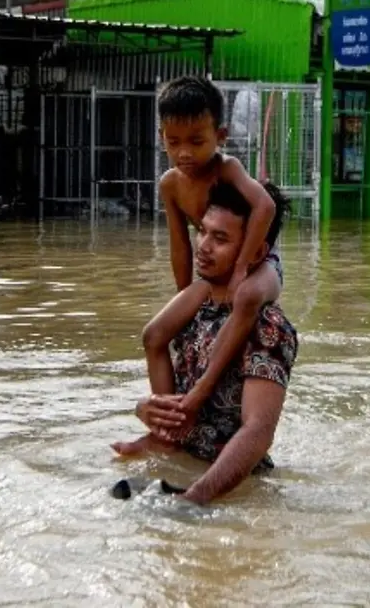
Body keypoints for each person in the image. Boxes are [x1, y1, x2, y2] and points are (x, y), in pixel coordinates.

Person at [111, 180, 299, 506]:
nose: (204, 246)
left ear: (255, 253)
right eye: (203, 231)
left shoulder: (268, 327)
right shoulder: (196, 306)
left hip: (230, 493)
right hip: (178, 467)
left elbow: (258, 432)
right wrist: (153, 415)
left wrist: (194, 498)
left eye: (220, 238)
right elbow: (154, 343)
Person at [143, 76, 284, 434]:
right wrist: (184, 295)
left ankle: (201, 393)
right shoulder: (170, 184)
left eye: (196, 141)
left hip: (260, 259)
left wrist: (240, 269)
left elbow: (264, 207)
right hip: (215, 271)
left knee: (249, 295)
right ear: (161, 137)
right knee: (155, 334)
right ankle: (170, 424)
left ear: (220, 137)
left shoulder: (227, 168)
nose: (184, 153)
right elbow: (179, 244)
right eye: (173, 142)